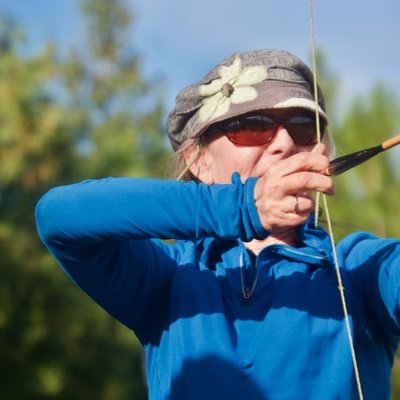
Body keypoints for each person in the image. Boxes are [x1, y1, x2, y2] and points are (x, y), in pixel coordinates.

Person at [35, 49, 399, 399]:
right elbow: (59, 216)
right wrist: (243, 207)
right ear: (198, 160)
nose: (286, 143)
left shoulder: (358, 269)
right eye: (253, 125)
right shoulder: (172, 278)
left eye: (304, 127)